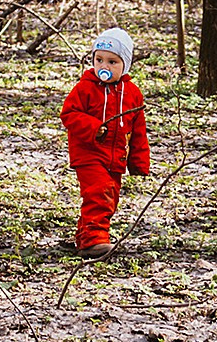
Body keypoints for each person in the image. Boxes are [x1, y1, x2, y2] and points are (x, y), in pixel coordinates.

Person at [59, 28, 150, 258]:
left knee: (109, 198)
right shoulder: (86, 87)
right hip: (88, 153)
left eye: (112, 62)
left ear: (125, 65)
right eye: (99, 60)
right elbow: (69, 114)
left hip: (116, 157)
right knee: (99, 191)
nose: (104, 67)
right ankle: (94, 240)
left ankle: (84, 235)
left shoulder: (132, 94)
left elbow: (138, 131)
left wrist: (139, 162)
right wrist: (92, 127)